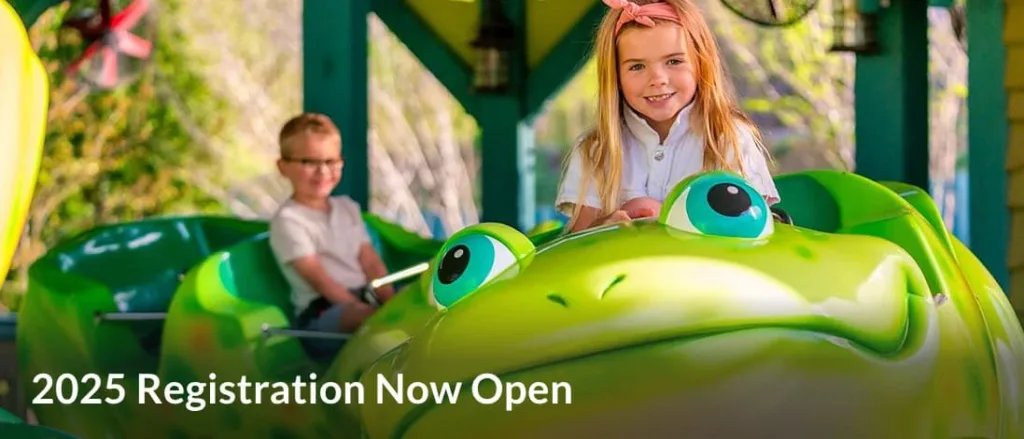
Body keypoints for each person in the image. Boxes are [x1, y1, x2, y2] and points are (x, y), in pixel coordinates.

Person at [555, 0, 781, 233]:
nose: (658, 79)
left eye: (674, 61)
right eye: (637, 67)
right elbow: (576, 244)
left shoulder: (731, 138)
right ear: (616, 77)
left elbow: (756, 232)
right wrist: (606, 228)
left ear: (700, 63)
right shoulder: (595, 151)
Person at [268, 113, 395, 337]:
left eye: (330, 161)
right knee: (361, 317)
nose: (323, 171)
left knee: (421, 295)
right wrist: (374, 313)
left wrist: (392, 303)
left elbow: (371, 263)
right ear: (283, 166)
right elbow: (320, 281)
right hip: (322, 311)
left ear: (341, 163)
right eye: (309, 162)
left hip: (366, 296)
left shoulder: (348, 208)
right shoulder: (289, 220)